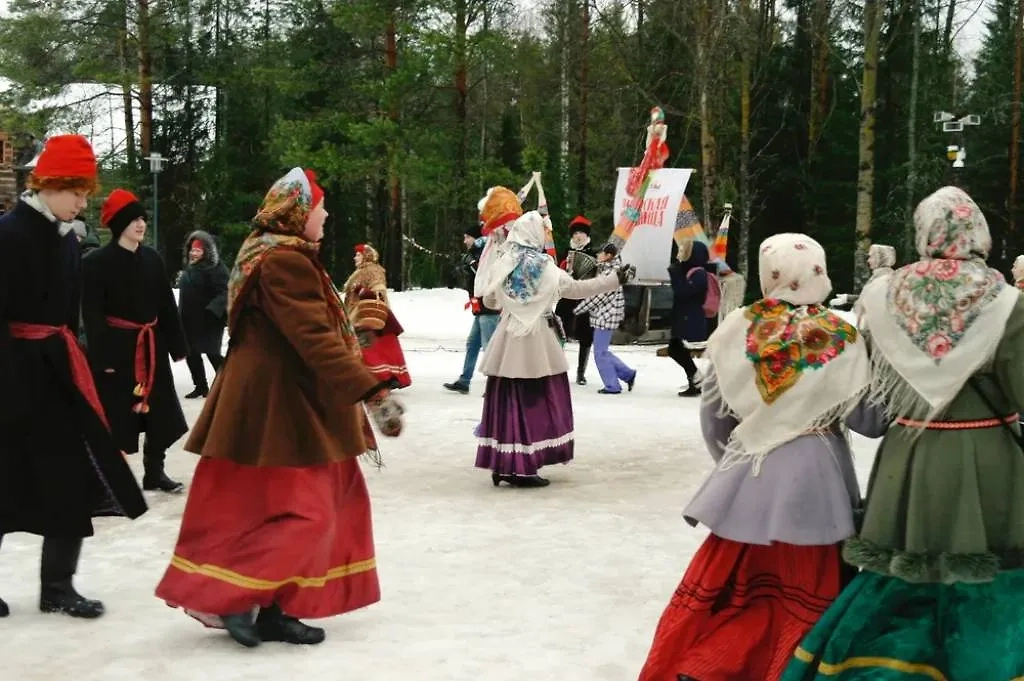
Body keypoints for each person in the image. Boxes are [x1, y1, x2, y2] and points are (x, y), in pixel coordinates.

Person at [155, 167, 405, 648]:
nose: (326, 216)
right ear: (299, 212)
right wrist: (371, 390)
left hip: (273, 399)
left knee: (273, 509)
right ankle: (237, 596)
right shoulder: (282, 260)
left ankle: (273, 607)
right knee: (308, 512)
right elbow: (312, 337)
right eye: (320, 208)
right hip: (278, 403)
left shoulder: (267, 250)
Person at [782, 187, 1024, 680]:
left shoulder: (886, 296)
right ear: (979, 232)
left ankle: (888, 666)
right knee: (989, 578)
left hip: (906, 458)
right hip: (989, 458)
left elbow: (869, 401)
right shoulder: (1005, 300)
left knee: (901, 576)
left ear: (925, 234)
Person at [638, 233, 881, 681]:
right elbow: (870, 420)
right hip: (819, 493)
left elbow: (714, 415)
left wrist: (738, 468)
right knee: (810, 603)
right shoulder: (843, 335)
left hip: (747, 482)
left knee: (739, 597)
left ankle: (710, 666)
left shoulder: (738, 328)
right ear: (818, 272)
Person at [0, 134, 147, 619]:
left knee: (68, 479)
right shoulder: (8, 234)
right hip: (13, 376)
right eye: (76, 192)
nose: (84, 202)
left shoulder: (69, 241)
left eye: (87, 193)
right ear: (47, 184)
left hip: (59, 376)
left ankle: (58, 587)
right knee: (4, 481)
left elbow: (70, 318)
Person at [474, 211, 630, 488]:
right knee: (537, 402)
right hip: (537, 342)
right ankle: (524, 468)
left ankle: (504, 463)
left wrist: (514, 302)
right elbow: (576, 289)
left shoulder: (504, 262)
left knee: (507, 401)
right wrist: (615, 279)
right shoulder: (545, 267)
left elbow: (490, 300)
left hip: (508, 341)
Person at [82, 188, 189, 495]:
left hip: (152, 347)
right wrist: (103, 358)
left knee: (162, 415)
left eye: (143, 218)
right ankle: (111, 480)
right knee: (117, 416)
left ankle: (155, 472)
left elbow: (167, 305)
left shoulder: (152, 259)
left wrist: (178, 345)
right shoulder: (96, 263)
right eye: (133, 219)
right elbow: (92, 315)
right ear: (119, 224)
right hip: (119, 351)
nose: (141, 224)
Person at [343, 244, 411, 389]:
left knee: (373, 348)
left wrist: (363, 291)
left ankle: (383, 377)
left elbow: (380, 293)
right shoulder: (361, 271)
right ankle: (376, 377)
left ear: (366, 256)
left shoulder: (373, 271)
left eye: (358, 255)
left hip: (371, 315)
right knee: (374, 348)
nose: (355, 257)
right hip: (360, 314)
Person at [444, 224, 501, 394]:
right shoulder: (476, 252)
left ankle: (495, 384)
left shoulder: (487, 251)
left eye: (467, 237)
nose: (465, 241)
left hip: (489, 306)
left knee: (489, 346)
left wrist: (472, 263)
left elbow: (485, 275)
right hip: (480, 306)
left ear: (476, 238)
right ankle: (464, 380)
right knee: (473, 343)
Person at [573, 243, 637, 394]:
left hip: (606, 316)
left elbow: (598, 297)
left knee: (600, 354)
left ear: (608, 255)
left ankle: (612, 385)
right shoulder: (608, 270)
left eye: (600, 253)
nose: (597, 256)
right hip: (604, 316)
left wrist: (578, 309)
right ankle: (627, 374)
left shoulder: (612, 274)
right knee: (602, 351)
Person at [177, 230, 229, 399]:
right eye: (192, 250)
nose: (194, 253)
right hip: (190, 320)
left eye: (198, 250)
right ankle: (201, 386)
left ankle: (225, 382)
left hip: (210, 319)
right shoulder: (190, 268)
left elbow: (225, 292)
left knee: (212, 352)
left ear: (206, 251)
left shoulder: (216, 268)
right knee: (191, 354)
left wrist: (212, 310)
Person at [555, 215, 599, 385]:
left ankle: (581, 373)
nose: (578, 236)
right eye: (575, 233)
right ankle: (556, 367)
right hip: (568, 295)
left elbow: (599, 275)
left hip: (586, 297)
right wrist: (565, 272)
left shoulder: (595, 253)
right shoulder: (567, 253)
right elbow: (557, 271)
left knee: (585, 334)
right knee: (559, 329)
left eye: (581, 233)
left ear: (586, 235)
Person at [667, 241, 710, 397]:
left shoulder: (699, 273)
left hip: (691, 318)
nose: (680, 253)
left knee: (677, 349)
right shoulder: (690, 270)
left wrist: (676, 274)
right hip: (684, 317)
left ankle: (697, 379)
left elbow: (683, 292)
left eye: (684, 250)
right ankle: (696, 379)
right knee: (676, 348)